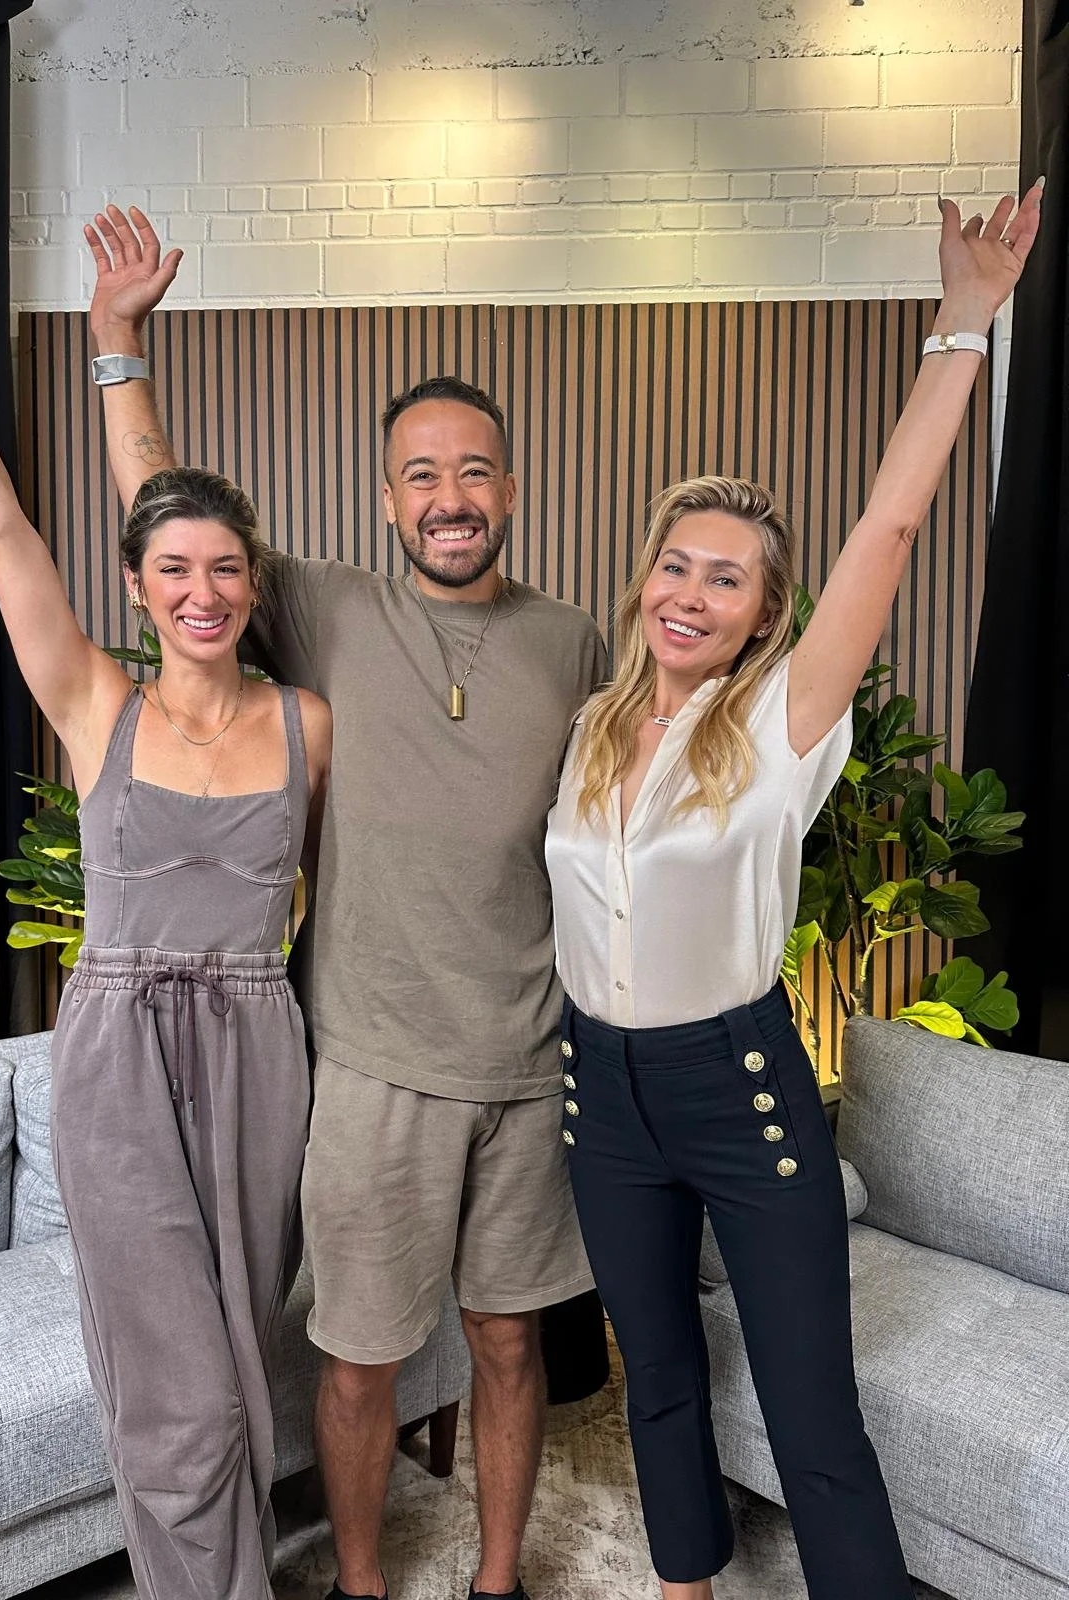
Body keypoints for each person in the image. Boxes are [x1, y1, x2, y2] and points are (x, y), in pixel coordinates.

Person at [84, 205, 607, 1600]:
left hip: (525, 1063)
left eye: (475, 472)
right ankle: (365, 1588)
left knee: (508, 1347)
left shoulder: (574, 642)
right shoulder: (319, 611)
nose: (450, 496)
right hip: (369, 1070)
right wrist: (119, 345)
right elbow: (169, 523)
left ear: (510, 487)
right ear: (388, 500)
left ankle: (499, 1579)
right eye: (421, 475)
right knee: (359, 1359)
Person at [544, 181, 1043, 1600]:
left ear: (770, 611)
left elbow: (885, 536)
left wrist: (961, 328)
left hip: (738, 1078)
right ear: (645, 577)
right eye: (676, 565)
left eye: (730, 580)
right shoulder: (589, 727)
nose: (691, 594)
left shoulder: (784, 724)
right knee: (654, 1386)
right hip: (601, 1094)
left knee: (813, 1411)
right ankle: (686, 1585)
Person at [0, 209, 333, 1600]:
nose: (202, 590)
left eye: (226, 568)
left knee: (244, 1360)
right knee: (177, 1387)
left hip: (262, 1048)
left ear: (255, 587)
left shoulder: (311, 722)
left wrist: (125, 347)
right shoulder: (95, 705)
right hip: (118, 1050)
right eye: (172, 569)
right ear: (134, 586)